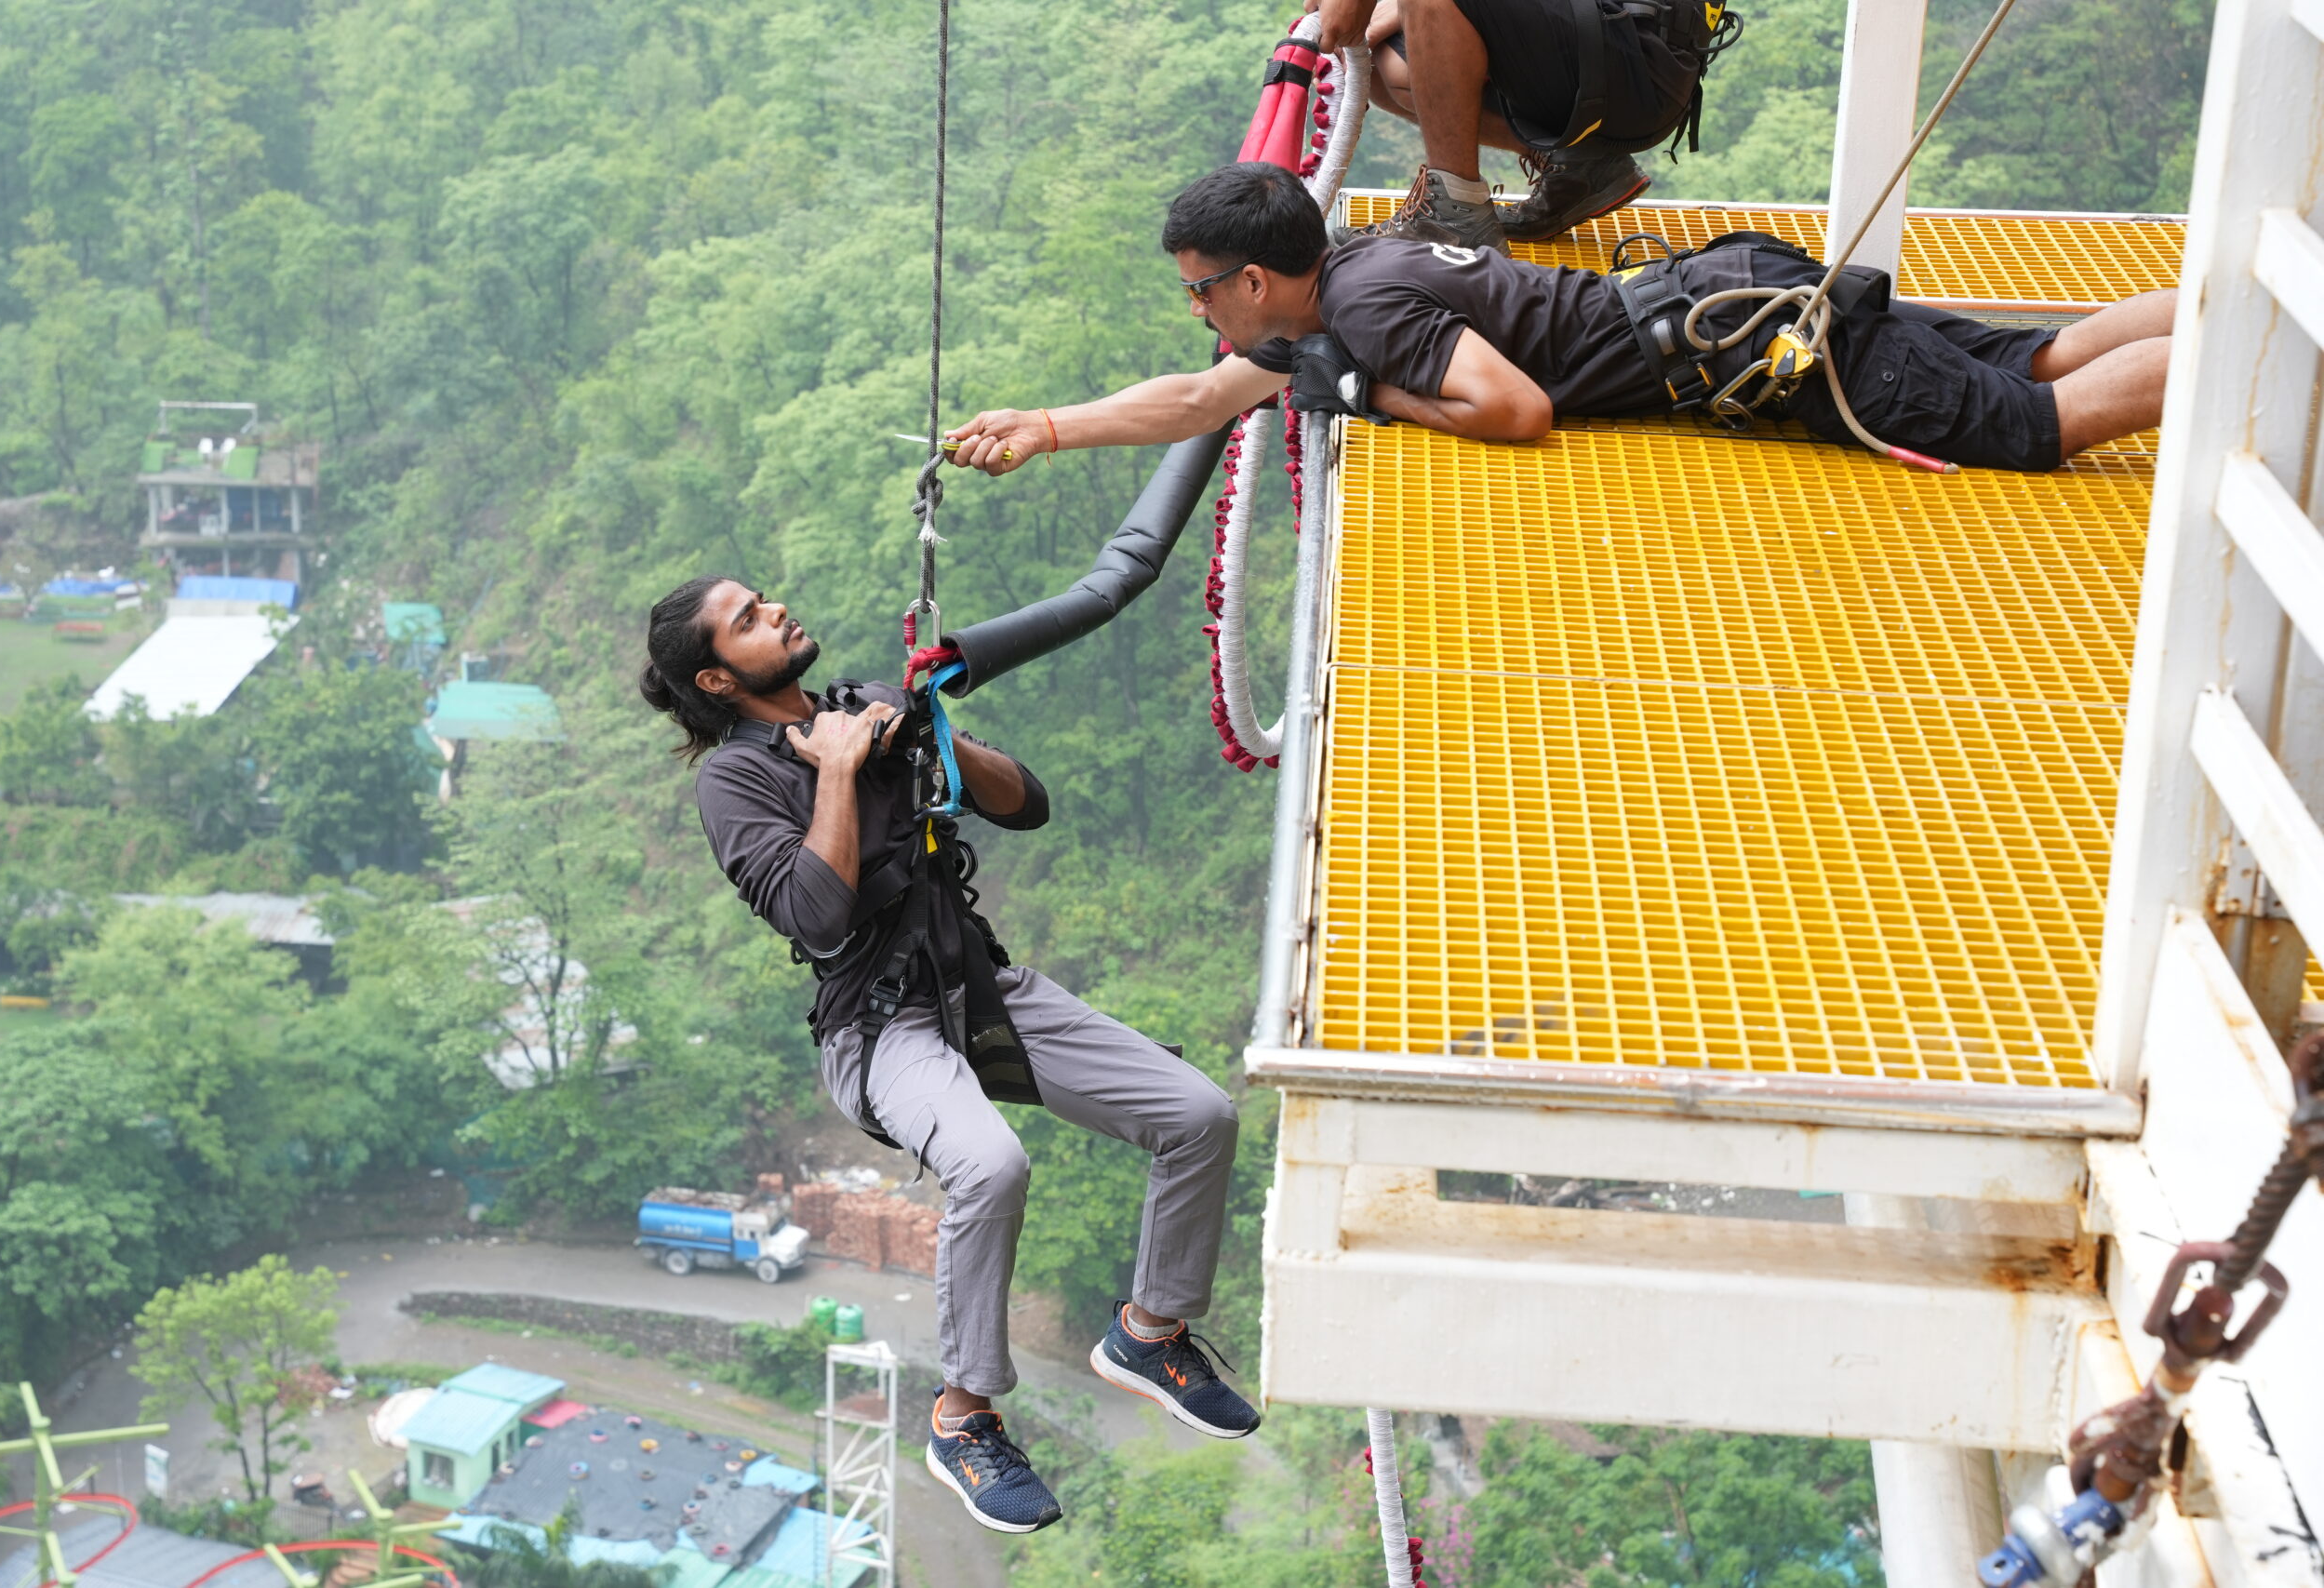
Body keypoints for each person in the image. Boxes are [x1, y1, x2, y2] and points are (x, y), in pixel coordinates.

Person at [638, 576, 1261, 1536]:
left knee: (1198, 1115)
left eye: (767, 599)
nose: (779, 612)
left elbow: (1026, 805)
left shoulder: (861, 705)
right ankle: (964, 1418)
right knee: (991, 1163)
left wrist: (932, 734)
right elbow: (814, 913)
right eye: (750, 620)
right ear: (718, 679)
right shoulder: (736, 780)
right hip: (881, 1026)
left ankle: (1149, 1334)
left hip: (976, 985)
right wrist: (839, 772)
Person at [941, 162, 2170, 476]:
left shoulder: (1364, 313)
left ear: (1256, 282)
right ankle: (2240, 316)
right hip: (1727, 295)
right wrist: (1046, 425)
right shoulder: (1351, 261)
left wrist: (1374, 394)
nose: (1199, 313)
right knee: (2042, 350)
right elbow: (1207, 397)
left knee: (2040, 421)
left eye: (1201, 290)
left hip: (1749, 347)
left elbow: (1514, 411)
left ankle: (2260, 355)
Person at [1314, 0, 1740, 248]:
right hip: (1607, 44)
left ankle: (1454, 211)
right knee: (1385, 65)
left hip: (1639, 58)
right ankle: (1579, 163)